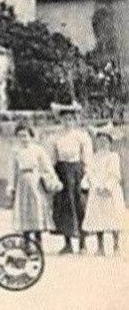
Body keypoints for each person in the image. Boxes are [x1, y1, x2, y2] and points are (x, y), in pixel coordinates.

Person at [6, 123, 60, 253]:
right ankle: (26, 244)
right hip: (22, 184)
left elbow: (47, 166)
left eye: (25, 135)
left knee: (36, 211)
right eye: (20, 136)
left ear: (31, 136)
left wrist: (52, 179)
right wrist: (11, 186)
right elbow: (12, 170)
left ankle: (38, 244)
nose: (23, 138)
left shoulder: (38, 149)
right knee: (24, 212)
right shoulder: (15, 151)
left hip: (35, 182)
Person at [49, 103, 93, 254]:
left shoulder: (82, 136)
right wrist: (54, 177)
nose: (68, 122)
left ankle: (82, 243)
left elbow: (87, 158)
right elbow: (52, 159)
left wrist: (86, 175)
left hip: (77, 171)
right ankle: (67, 243)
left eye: (71, 118)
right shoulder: (56, 137)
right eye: (65, 119)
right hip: (62, 172)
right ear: (61, 120)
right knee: (63, 207)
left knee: (79, 205)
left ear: (75, 120)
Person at [82, 127, 124, 255]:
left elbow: (115, 174)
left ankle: (116, 246)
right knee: (98, 219)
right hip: (96, 190)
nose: (102, 143)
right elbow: (89, 172)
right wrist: (95, 185)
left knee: (113, 217)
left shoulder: (113, 156)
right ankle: (100, 247)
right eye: (99, 141)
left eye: (105, 141)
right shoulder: (93, 157)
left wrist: (107, 186)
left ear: (110, 143)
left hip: (111, 191)